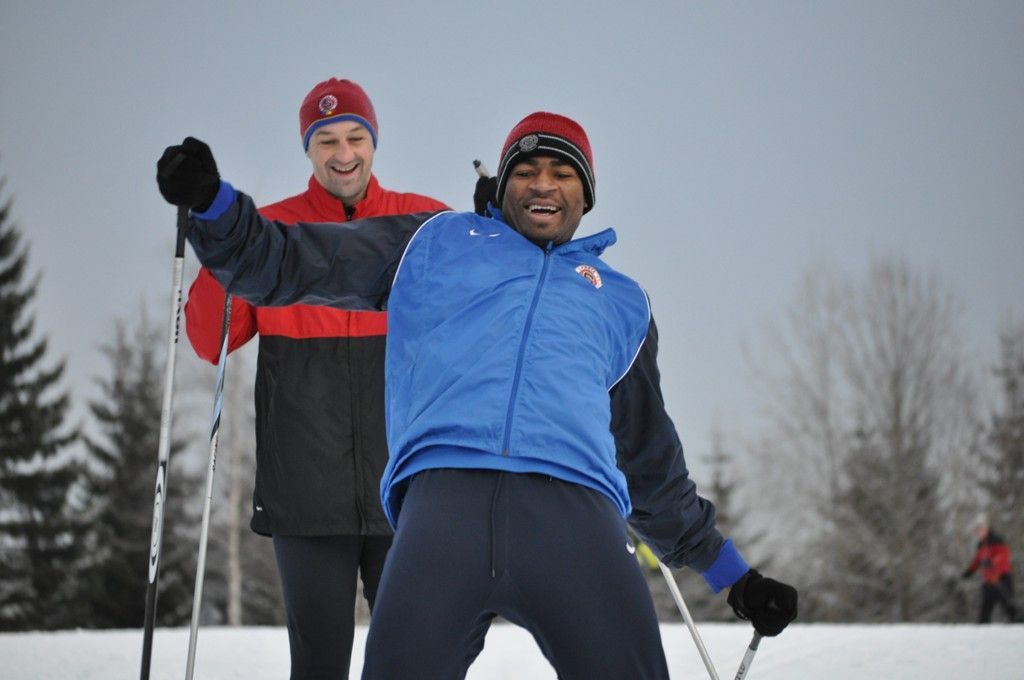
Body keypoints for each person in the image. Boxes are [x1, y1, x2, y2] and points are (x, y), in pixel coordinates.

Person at [156, 111, 799, 679]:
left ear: (588, 194)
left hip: (575, 516)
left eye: (562, 173)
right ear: (503, 185)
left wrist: (734, 578)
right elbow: (293, 261)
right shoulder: (434, 244)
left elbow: (652, 462)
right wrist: (214, 206)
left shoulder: (621, 301)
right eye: (526, 170)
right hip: (444, 512)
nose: (543, 184)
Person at [181, 78, 448, 679]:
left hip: (407, 492)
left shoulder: (425, 223)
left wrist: (492, 223)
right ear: (307, 148)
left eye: (355, 136)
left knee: (417, 662)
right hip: (305, 497)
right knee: (319, 665)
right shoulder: (269, 235)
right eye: (325, 139)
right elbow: (208, 340)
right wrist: (221, 244)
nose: (343, 152)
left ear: (374, 141)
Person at [962, 513, 1021, 623]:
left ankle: (1019, 624)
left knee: (1008, 606)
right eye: (977, 531)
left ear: (986, 528)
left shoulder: (997, 540)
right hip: (988, 581)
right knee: (986, 608)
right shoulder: (981, 544)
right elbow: (978, 560)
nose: (979, 533)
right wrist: (970, 571)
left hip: (1001, 578)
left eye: (981, 530)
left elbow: (1003, 556)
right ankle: (982, 630)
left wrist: (993, 562)